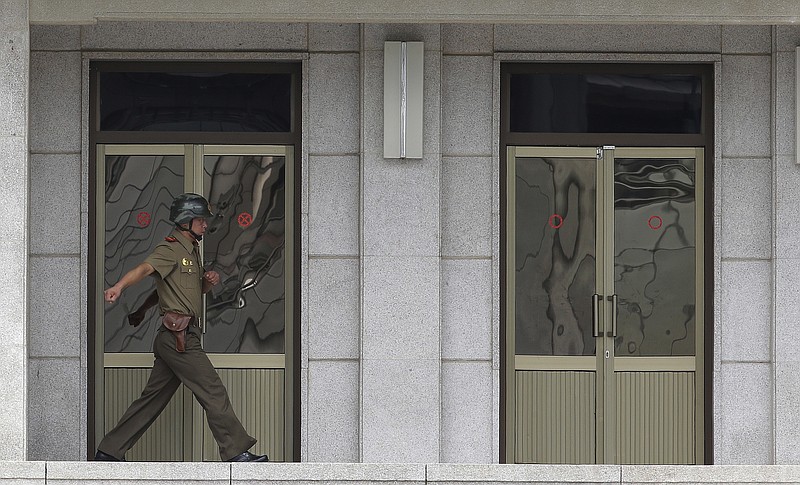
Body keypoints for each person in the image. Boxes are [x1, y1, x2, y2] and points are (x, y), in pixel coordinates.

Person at [94, 193, 268, 463]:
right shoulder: (171, 248)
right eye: (200, 219)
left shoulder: (190, 251)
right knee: (213, 391)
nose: (205, 224)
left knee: (151, 400)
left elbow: (170, 290)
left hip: (174, 337)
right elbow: (144, 269)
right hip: (180, 338)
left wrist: (206, 283)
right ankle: (235, 451)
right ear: (186, 220)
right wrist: (119, 286)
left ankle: (109, 450)